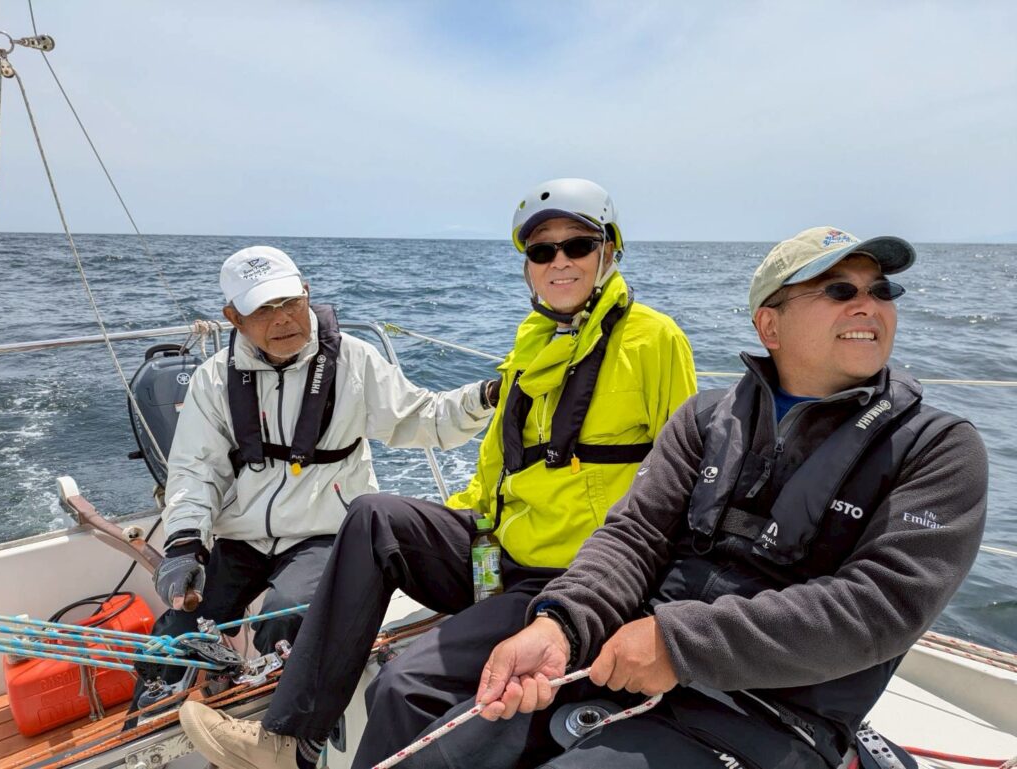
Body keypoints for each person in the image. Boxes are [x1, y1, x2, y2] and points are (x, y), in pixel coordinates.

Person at [178, 178, 698, 769]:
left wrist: (663, 617)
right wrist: (453, 524)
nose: (559, 262)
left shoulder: (653, 340)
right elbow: (498, 466)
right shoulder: (533, 340)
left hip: (571, 575)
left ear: (609, 252)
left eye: (577, 246)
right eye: (541, 250)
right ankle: (288, 740)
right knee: (374, 516)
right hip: (502, 546)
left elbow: (685, 484)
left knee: (399, 686)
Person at [467, 226, 988, 769]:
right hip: (622, 668)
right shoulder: (703, 419)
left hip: (772, 720)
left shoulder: (939, 449)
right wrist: (561, 624)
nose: (868, 306)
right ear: (770, 325)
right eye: (839, 290)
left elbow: (880, 607)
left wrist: (678, 644)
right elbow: (633, 537)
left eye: (881, 291)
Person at [147, 245, 496, 663]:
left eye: (290, 302)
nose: (282, 318)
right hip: (242, 535)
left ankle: (279, 700)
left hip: (325, 531)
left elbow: (423, 418)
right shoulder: (213, 379)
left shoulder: (354, 360)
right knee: (173, 637)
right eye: (263, 309)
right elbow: (195, 470)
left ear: (307, 294)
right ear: (234, 318)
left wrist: (486, 396)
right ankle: (168, 695)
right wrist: (185, 544)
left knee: (286, 617)